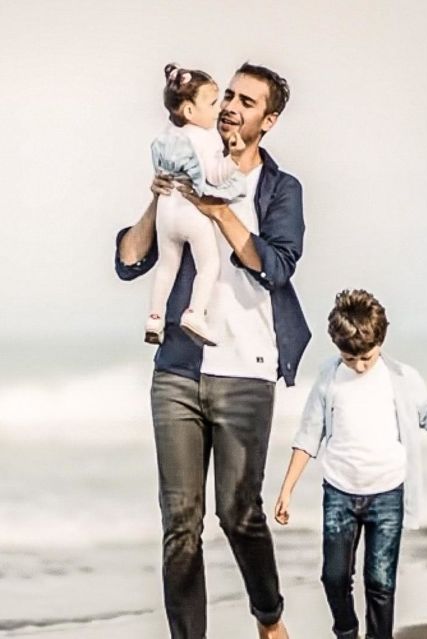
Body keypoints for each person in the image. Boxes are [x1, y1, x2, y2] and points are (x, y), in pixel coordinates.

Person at [115, 62, 311, 639]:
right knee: (180, 523)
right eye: (228, 95)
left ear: (268, 121)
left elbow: (276, 267)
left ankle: (269, 618)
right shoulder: (187, 163)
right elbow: (129, 261)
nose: (230, 106)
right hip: (178, 369)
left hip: (247, 371)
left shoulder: (280, 188)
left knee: (239, 514)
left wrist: (219, 210)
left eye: (247, 102)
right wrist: (158, 198)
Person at [275, 289, 427, 639]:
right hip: (339, 492)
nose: (360, 365)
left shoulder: (401, 378)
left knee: (380, 581)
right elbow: (308, 436)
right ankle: (346, 630)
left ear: (381, 340)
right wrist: (287, 490)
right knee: (334, 577)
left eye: (367, 356)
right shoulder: (329, 378)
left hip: (387, 493)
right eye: (350, 358)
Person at [145, 62, 246, 346]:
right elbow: (213, 176)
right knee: (209, 264)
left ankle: (154, 318)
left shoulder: (168, 134)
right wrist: (234, 159)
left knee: (167, 266)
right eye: (212, 104)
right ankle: (195, 313)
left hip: (167, 209)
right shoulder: (205, 137)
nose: (218, 110)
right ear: (189, 111)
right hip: (191, 211)